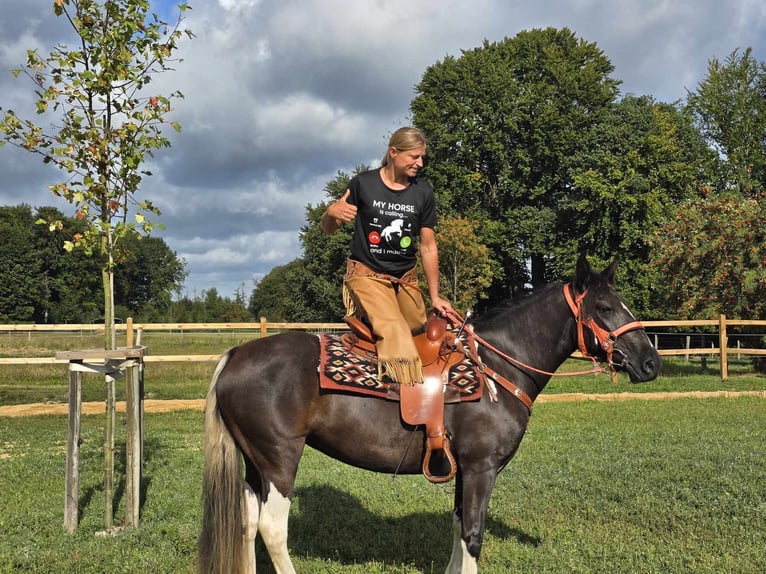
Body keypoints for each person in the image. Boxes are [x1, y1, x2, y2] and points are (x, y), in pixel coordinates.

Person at [321, 126, 452, 386]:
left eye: (422, 157)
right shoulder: (363, 184)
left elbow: (427, 246)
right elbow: (328, 228)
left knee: (419, 331)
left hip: (405, 279)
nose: (420, 163)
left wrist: (435, 296)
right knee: (394, 330)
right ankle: (401, 397)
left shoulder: (423, 192)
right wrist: (331, 213)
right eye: (414, 156)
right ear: (394, 152)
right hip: (367, 275)